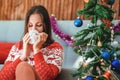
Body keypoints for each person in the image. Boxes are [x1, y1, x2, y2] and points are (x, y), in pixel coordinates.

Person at [0, 5, 64, 80]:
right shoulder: (17, 47)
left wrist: (37, 50)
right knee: (22, 66)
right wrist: (23, 57)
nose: (34, 29)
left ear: (45, 27)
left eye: (39, 25)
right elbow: (3, 77)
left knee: (23, 67)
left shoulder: (55, 48)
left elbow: (47, 78)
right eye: (30, 25)